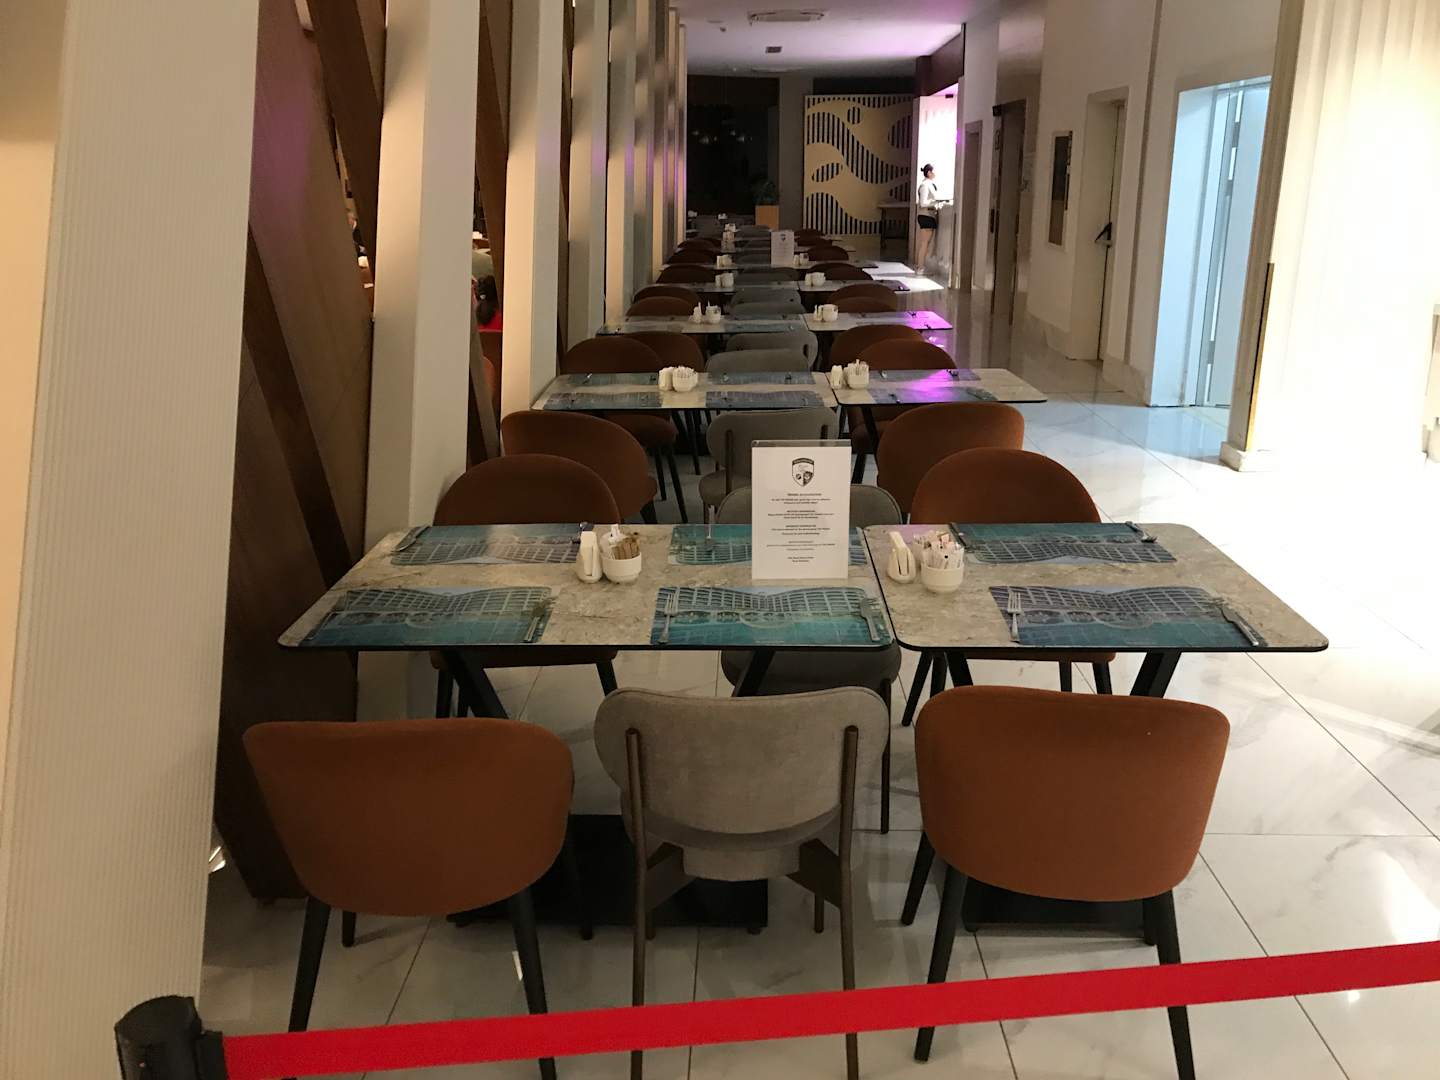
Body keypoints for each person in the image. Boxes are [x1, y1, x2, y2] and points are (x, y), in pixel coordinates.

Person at [916, 164, 942, 272]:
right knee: (925, 243)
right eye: (933, 171)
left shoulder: (928, 184)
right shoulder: (925, 185)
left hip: (928, 215)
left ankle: (921, 266)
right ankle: (920, 267)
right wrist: (934, 202)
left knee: (926, 243)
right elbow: (923, 203)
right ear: (929, 172)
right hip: (926, 215)